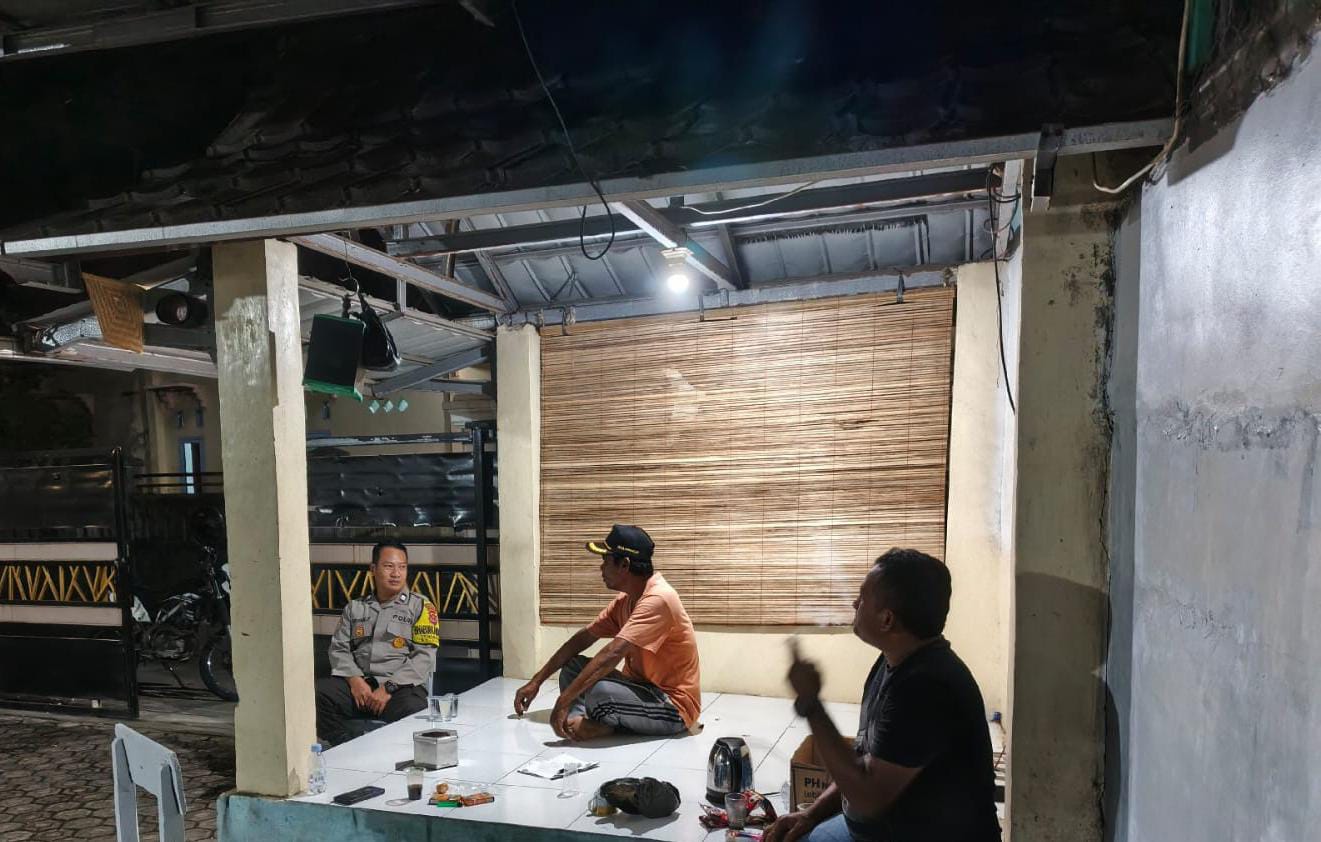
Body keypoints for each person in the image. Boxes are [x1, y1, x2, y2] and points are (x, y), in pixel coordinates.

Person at [767, 548, 1000, 842]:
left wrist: (811, 704)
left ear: (887, 620)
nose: (854, 603)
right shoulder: (892, 662)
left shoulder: (927, 687)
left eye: (863, 597)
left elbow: (867, 796)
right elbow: (866, 762)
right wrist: (811, 814)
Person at [513, 524, 701, 741]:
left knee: (601, 692)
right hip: (640, 689)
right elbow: (582, 639)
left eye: (606, 561)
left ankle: (601, 724)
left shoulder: (659, 599)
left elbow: (612, 654)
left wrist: (563, 701)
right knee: (573, 667)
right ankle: (581, 722)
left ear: (624, 565)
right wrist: (536, 681)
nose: (601, 568)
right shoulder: (626, 600)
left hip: (673, 707)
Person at [315, 540, 439, 747]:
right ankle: (345, 746)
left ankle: (395, 752)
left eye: (402, 567)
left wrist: (388, 688)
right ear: (373, 569)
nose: (396, 573)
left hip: (400, 689)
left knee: (415, 710)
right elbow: (338, 649)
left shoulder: (421, 607)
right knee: (319, 694)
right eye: (389, 566)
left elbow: (424, 657)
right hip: (360, 688)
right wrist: (355, 681)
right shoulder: (355, 608)